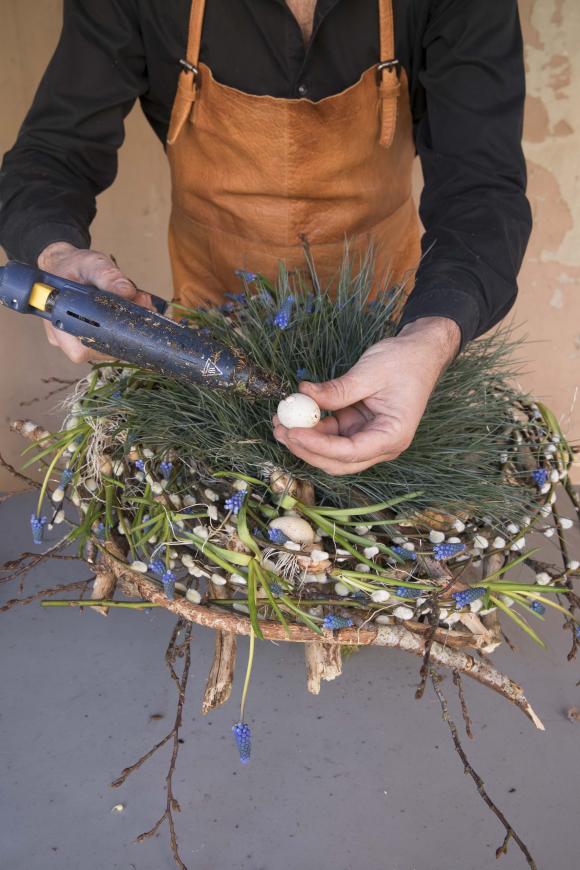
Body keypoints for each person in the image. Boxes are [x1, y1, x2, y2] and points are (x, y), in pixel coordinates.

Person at [0, 0, 531, 476]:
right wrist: (56, 253)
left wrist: (429, 338)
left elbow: (482, 186)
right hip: (209, 330)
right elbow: (52, 155)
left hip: (390, 340)